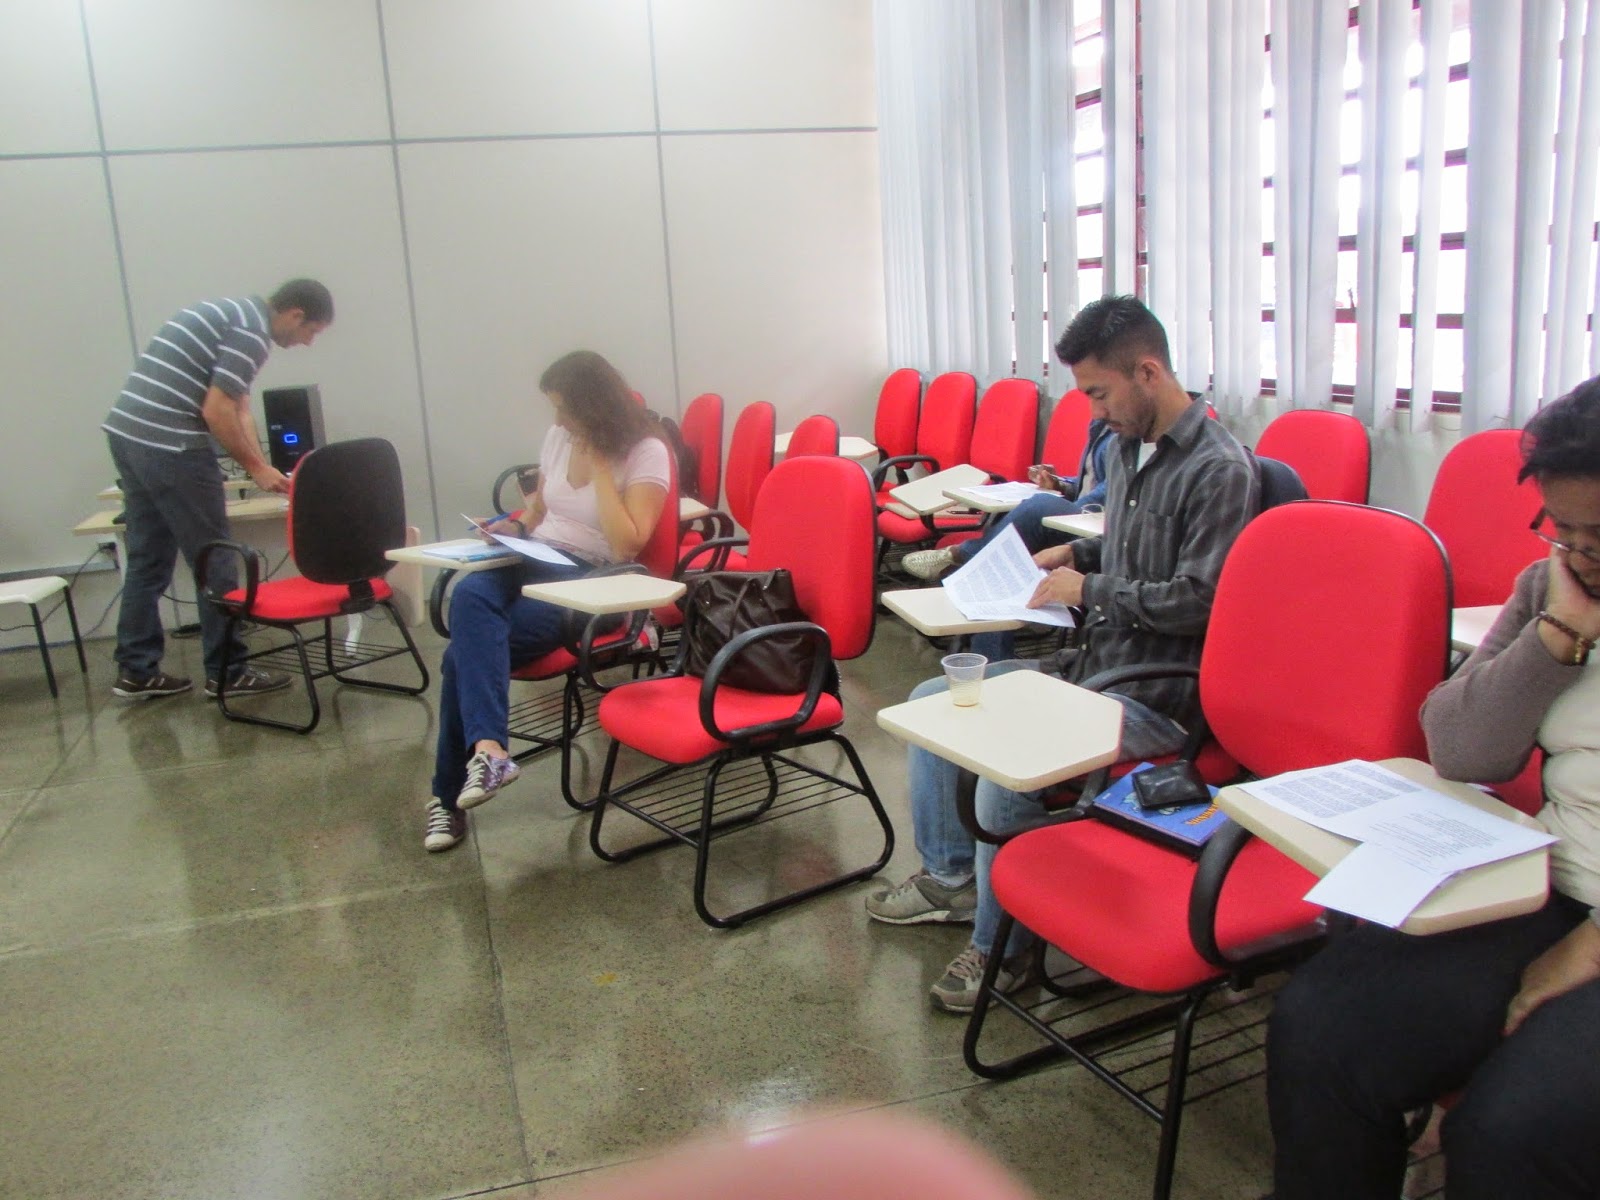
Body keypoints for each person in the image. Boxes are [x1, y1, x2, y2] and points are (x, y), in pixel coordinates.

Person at [867, 295, 1260, 1013]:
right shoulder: (1129, 446)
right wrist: (1076, 553)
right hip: (1094, 669)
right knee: (932, 706)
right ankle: (952, 882)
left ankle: (1003, 949)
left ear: (1148, 373)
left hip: (1159, 696)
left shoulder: (1219, 470)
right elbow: (1136, 551)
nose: (1093, 412)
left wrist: (1093, 586)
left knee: (1005, 767)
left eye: (1099, 394)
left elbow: (1203, 600)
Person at [1266, 376, 1600, 1200]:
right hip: (1553, 881)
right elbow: (1459, 748)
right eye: (1562, 531)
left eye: (1598, 537)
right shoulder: (1556, 588)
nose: (1579, 557)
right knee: (1322, 1029)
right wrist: (1556, 636)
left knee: (1509, 1131)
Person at [424, 350, 670, 853]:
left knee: (460, 658)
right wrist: (513, 526)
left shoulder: (647, 451)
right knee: (469, 591)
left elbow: (627, 545)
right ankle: (491, 752)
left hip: (593, 579)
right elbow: (539, 509)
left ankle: (449, 796)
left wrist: (600, 468)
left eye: (564, 408)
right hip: (535, 555)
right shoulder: (560, 438)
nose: (556, 421)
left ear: (594, 407)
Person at [102, 279, 333, 702]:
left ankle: (136, 670)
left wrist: (262, 467)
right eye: (310, 331)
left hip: (130, 436)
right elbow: (216, 410)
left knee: (148, 559)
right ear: (295, 314)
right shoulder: (251, 333)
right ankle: (228, 672)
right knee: (217, 559)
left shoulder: (233, 314)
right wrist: (255, 467)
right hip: (173, 445)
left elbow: (239, 407)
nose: (307, 342)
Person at [899, 416, 1114, 582]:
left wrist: (1066, 510)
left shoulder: (1125, 434)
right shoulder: (1102, 424)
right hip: (1081, 516)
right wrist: (1060, 484)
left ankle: (963, 556)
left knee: (1042, 506)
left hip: (1099, 526)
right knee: (1008, 534)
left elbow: (1112, 489)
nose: (1094, 405)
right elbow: (1090, 481)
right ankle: (970, 567)